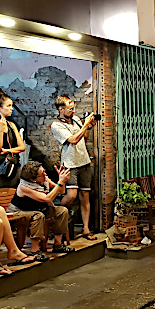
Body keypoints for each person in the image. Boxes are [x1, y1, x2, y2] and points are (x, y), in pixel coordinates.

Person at [51, 95, 97, 240]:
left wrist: (89, 127)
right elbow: (73, 140)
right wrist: (85, 124)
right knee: (71, 195)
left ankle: (85, 229)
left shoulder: (76, 120)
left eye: (73, 108)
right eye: (69, 108)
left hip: (84, 162)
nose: (72, 110)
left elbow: (84, 138)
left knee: (85, 196)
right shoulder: (56, 125)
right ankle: (56, 211)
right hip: (70, 165)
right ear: (61, 109)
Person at [8, 162, 73, 258]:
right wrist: (60, 182)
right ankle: (35, 250)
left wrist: (61, 180)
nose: (45, 175)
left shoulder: (43, 179)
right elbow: (47, 199)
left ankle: (58, 244)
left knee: (62, 211)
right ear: (33, 179)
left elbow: (61, 191)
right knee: (38, 216)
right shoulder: (24, 187)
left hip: (37, 208)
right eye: (42, 174)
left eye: (44, 171)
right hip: (19, 212)